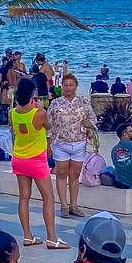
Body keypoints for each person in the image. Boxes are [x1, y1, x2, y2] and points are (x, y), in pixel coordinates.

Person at [9, 77, 65, 248]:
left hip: (19, 158)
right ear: (32, 93)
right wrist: (41, 108)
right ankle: (51, 238)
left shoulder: (12, 113)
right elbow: (48, 127)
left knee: (24, 197)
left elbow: (14, 131)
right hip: (36, 160)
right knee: (48, 197)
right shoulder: (38, 113)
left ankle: (27, 235)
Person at [46, 73, 97, 218]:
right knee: (61, 174)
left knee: (75, 175)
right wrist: (48, 144)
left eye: (71, 85)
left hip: (79, 143)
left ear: (76, 86)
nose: (68, 88)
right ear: (62, 86)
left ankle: (74, 205)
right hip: (60, 144)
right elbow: (49, 124)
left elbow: (93, 118)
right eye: (66, 85)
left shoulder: (83, 102)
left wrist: (89, 125)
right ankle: (63, 205)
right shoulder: (56, 103)